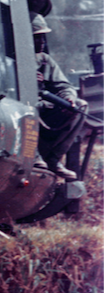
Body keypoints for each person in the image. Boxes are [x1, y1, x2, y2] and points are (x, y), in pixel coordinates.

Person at [32, 14, 86, 180]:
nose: (42, 43)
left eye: (43, 38)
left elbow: (63, 85)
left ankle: (53, 159)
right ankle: (32, 156)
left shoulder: (44, 60)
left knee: (80, 106)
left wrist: (68, 97)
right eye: (36, 38)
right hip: (21, 107)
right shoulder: (6, 59)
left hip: (43, 108)